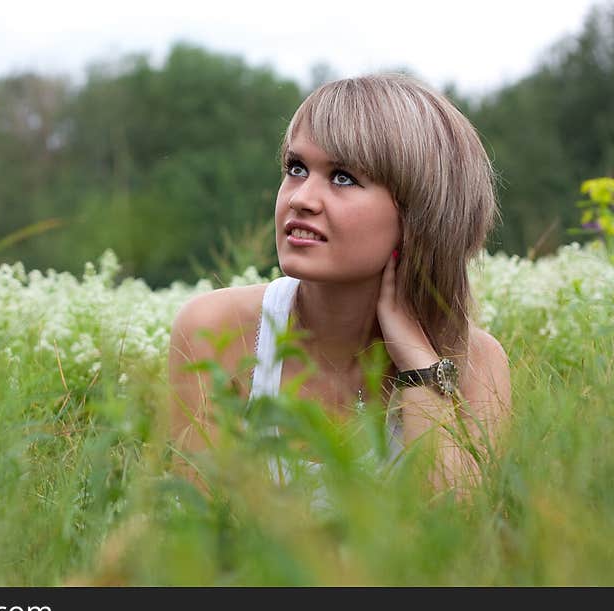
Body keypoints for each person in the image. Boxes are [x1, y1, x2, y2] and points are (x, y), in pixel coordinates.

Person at [168, 74, 512, 497]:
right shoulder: (217, 332)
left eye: (343, 177)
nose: (301, 198)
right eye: (296, 168)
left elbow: (455, 535)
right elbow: (198, 533)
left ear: (420, 213)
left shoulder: (475, 362)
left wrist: (420, 366)